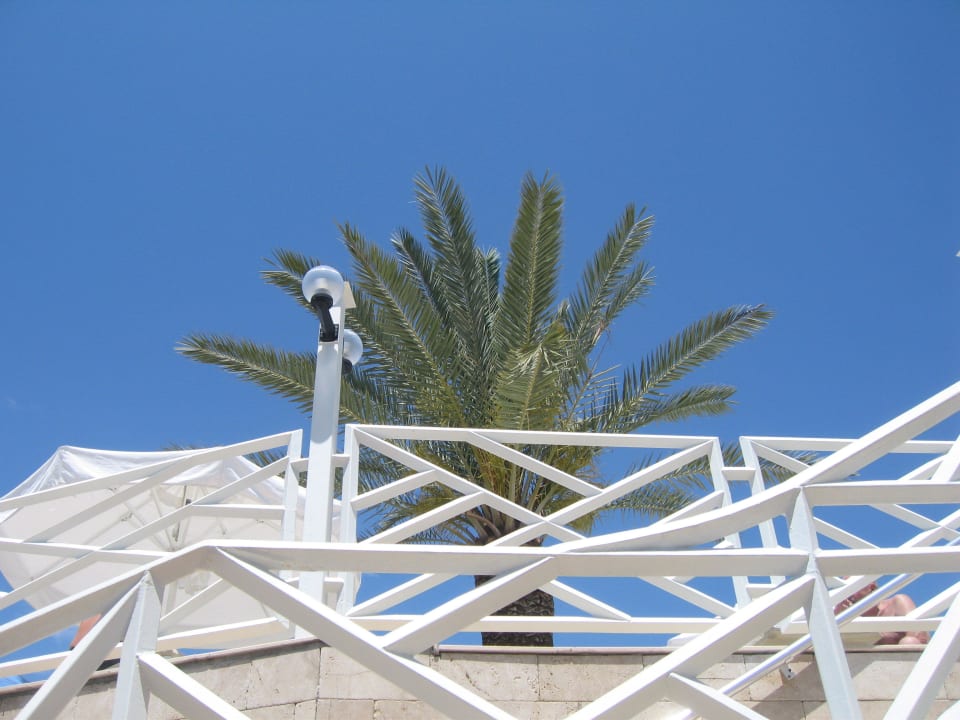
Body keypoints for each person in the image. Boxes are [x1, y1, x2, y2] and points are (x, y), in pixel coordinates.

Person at [834, 582, 929, 645]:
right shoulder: (842, 614)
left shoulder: (896, 603)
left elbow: (920, 636)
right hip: (859, 669)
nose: (848, 594)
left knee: (909, 642)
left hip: (901, 666)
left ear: (871, 587)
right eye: (845, 588)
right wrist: (839, 620)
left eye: (852, 587)